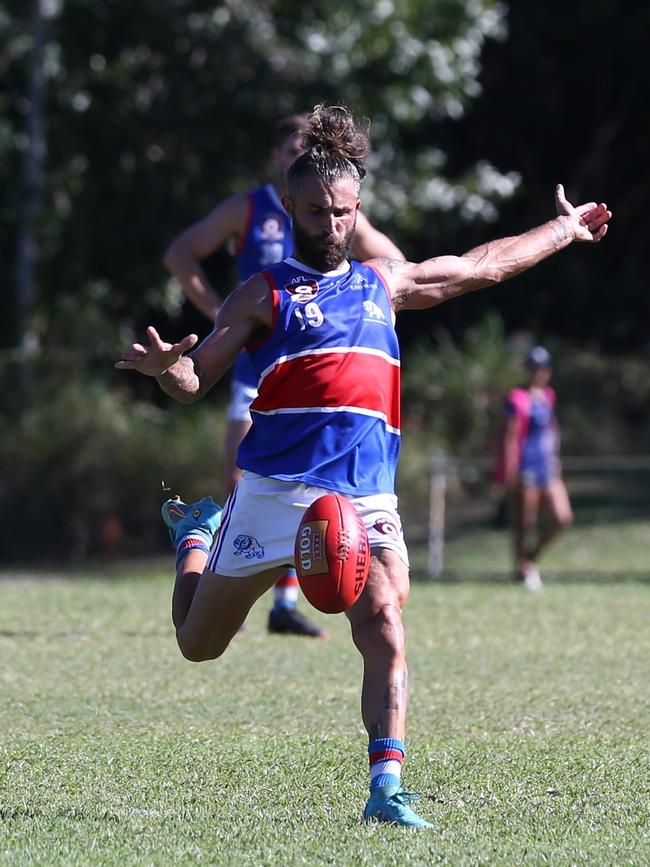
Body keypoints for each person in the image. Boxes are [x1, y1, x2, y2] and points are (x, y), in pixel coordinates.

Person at [117, 104, 611, 827]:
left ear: (358, 206)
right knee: (197, 643)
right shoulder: (263, 293)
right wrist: (169, 371)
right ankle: (197, 533)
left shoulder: (384, 282)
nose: (331, 224)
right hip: (272, 493)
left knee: (384, 618)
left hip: (362, 497)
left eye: (343, 211)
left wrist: (565, 229)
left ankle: (386, 789)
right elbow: (199, 377)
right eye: (315, 211)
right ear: (288, 207)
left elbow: (483, 266)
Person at [163, 113, 405, 638]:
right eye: (292, 148)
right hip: (256, 364)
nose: (331, 219)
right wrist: (220, 318)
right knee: (242, 483)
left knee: (320, 511)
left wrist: (378, 295)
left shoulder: (338, 209)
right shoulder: (248, 208)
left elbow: (399, 266)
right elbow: (180, 254)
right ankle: (206, 541)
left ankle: (283, 602)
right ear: (280, 161)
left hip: (323, 365)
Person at [501, 345, 573, 590]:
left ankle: (529, 558)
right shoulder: (516, 398)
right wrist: (509, 470)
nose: (538, 373)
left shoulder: (548, 396)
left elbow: (552, 429)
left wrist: (556, 459)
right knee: (526, 522)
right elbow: (510, 436)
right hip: (526, 466)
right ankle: (520, 568)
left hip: (547, 466)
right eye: (533, 368)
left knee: (562, 517)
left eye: (542, 369)